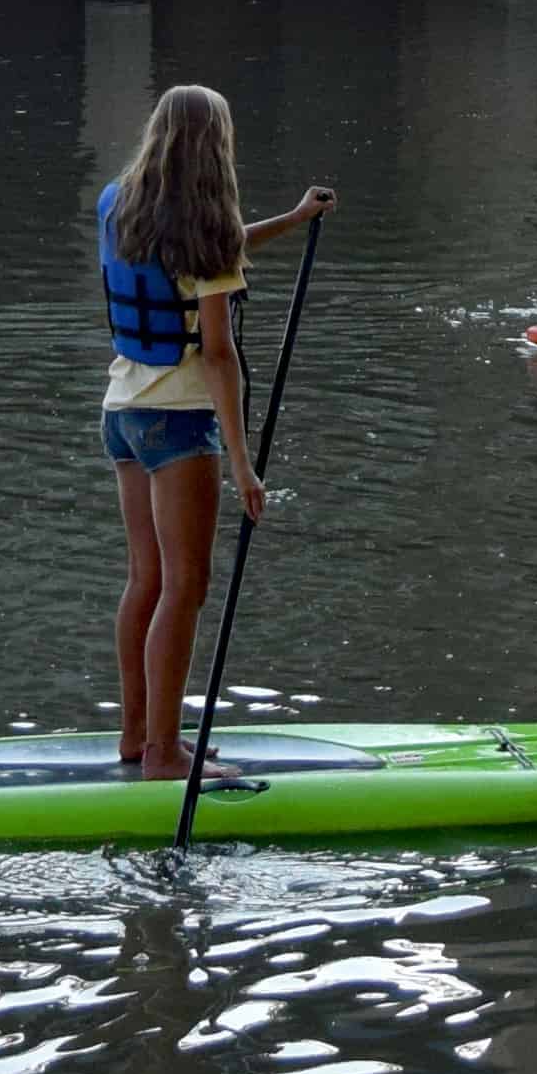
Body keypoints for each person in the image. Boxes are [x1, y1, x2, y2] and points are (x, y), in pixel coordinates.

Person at [96, 84, 339, 784]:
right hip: (177, 425)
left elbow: (213, 257)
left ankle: (136, 735)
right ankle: (167, 756)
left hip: (122, 413)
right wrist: (243, 464)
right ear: (217, 146)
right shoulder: (203, 226)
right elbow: (218, 353)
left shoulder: (119, 203)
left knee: (145, 579)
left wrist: (293, 220)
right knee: (185, 586)